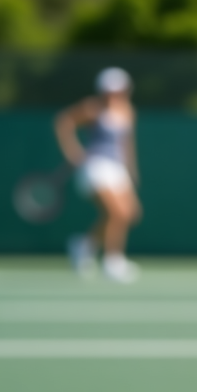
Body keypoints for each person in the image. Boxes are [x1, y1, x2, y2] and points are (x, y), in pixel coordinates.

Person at [55, 67, 142, 282]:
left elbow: (127, 144)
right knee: (116, 214)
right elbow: (63, 121)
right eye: (109, 89)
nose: (114, 93)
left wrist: (131, 170)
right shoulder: (92, 108)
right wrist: (72, 151)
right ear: (102, 90)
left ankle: (84, 244)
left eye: (119, 89)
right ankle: (113, 262)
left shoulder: (128, 111)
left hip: (118, 168)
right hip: (96, 167)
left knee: (130, 214)